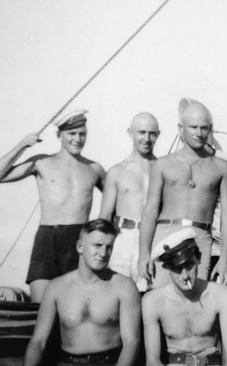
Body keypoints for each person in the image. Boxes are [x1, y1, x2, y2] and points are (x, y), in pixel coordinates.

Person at [0, 110, 105, 302]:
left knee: (75, 306)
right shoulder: (42, 162)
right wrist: (22, 144)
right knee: (41, 306)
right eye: (71, 133)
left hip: (79, 240)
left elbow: (116, 198)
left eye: (82, 134)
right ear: (59, 135)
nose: (77, 139)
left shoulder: (94, 168)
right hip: (47, 238)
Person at [138, 98, 227, 289]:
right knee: (160, 298)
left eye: (204, 128)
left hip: (200, 239)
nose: (199, 133)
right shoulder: (163, 164)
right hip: (165, 235)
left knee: (195, 303)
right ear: (180, 128)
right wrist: (144, 254)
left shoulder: (222, 167)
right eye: (193, 127)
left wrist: (226, 258)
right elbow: (150, 210)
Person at [24, 219, 141, 366]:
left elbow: (131, 342)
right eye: (97, 245)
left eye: (109, 247)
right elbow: (38, 341)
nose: (103, 253)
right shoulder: (57, 287)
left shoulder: (124, 286)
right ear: (80, 247)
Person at [142, 228, 227, 366]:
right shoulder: (153, 301)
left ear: (198, 259)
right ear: (166, 267)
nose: (185, 275)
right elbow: (153, 360)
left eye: (189, 265)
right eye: (177, 268)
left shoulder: (221, 295)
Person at [99, 112, 160, 292]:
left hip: (153, 240)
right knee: (117, 295)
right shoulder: (117, 172)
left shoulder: (163, 169)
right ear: (130, 132)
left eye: (152, 133)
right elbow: (104, 217)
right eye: (141, 132)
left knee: (149, 298)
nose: (147, 138)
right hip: (122, 240)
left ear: (158, 135)